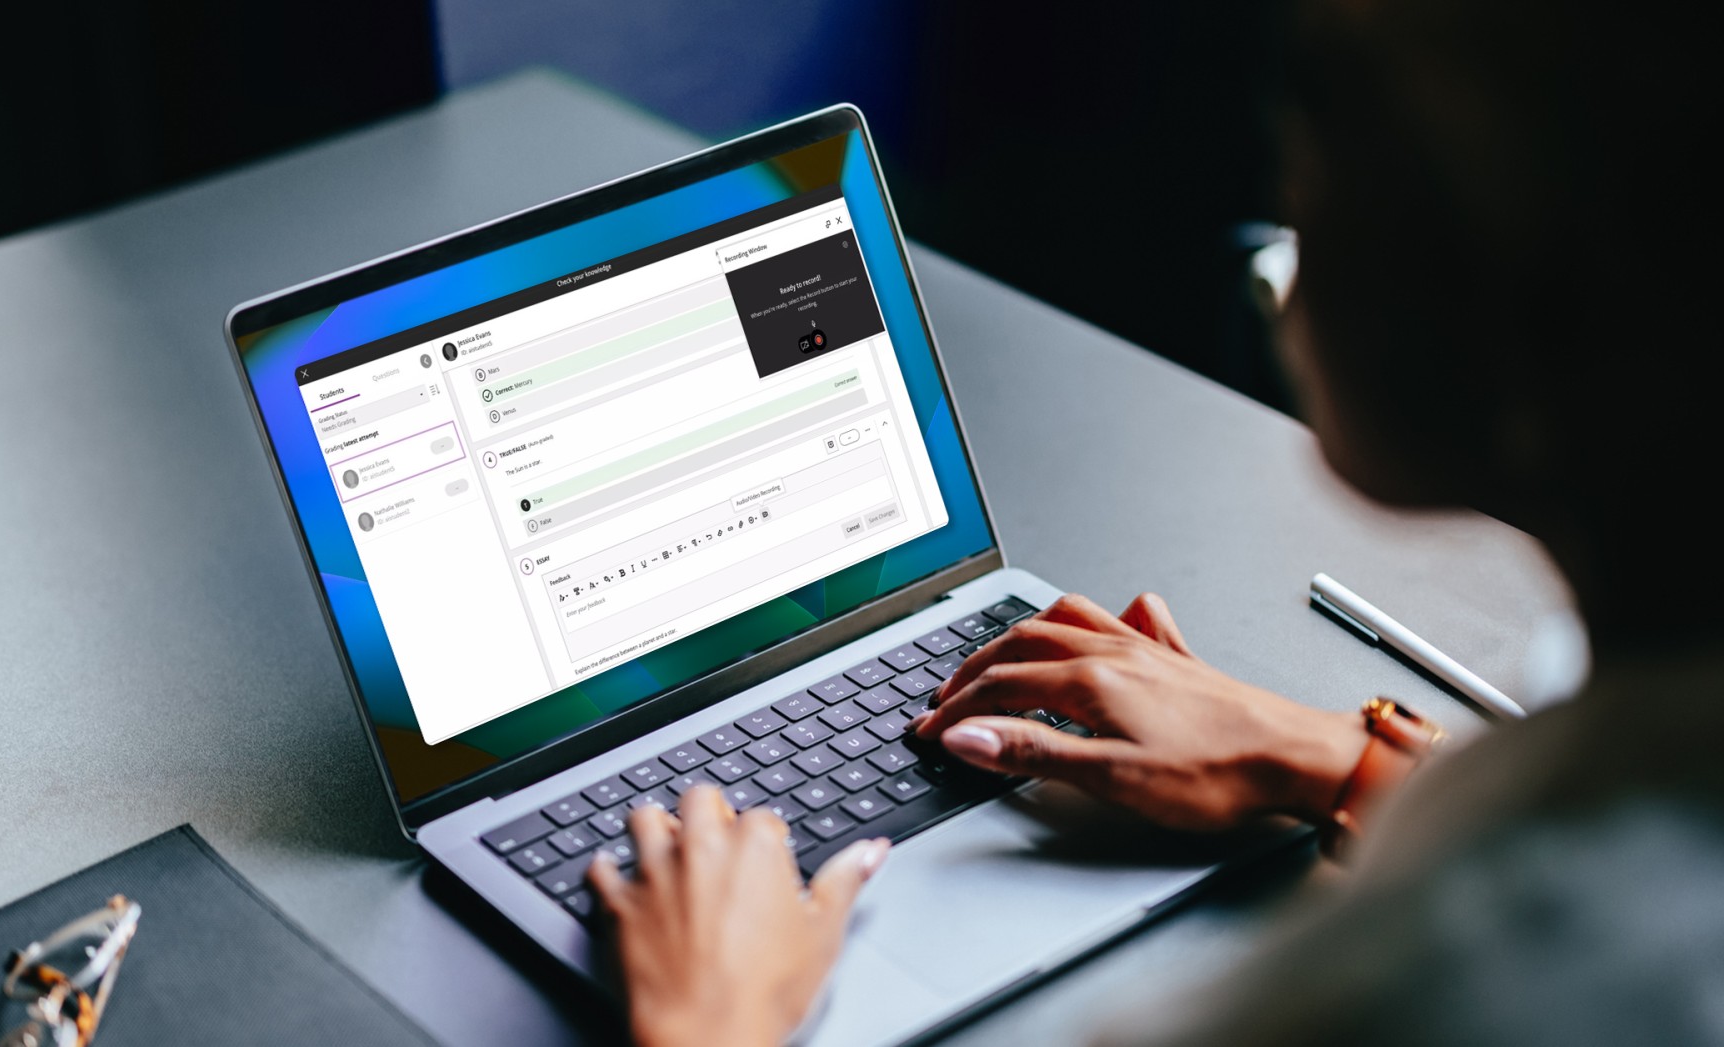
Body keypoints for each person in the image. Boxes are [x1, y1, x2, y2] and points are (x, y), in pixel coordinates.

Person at [584, 2, 1724, 1044]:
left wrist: (706, 1028)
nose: (1284, 202)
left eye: (1321, 118)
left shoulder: (1441, 989)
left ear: (1499, 289)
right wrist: (1340, 759)